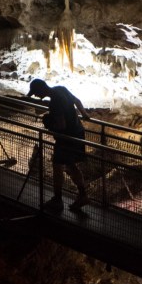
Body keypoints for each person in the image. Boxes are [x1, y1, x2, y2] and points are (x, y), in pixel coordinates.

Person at [27, 78, 91, 212]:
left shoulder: (54, 102)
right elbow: (77, 101)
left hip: (66, 138)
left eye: (35, 93)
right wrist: (85, 115)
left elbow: (62, 125)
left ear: (41, 89)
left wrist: (49, 124)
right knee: (70, 165)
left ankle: (57, 200)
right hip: (78, 132)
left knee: (57, 166)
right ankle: (83, 194)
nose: (36, 96)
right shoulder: (61, 88)